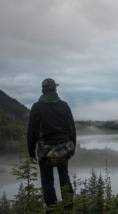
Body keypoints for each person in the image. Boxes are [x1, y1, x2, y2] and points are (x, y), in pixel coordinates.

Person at [27, 78, 76, 211]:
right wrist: (73, 146)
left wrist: (31, 153)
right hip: (63, 150)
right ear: (55, 89)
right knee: (64, 176)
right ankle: (69, 207)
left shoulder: (37, 107)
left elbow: (31, 132)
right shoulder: (64, 105)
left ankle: (53, 209)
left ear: (43, 89)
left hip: (45, 151)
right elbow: (72, 128)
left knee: (47, 181)